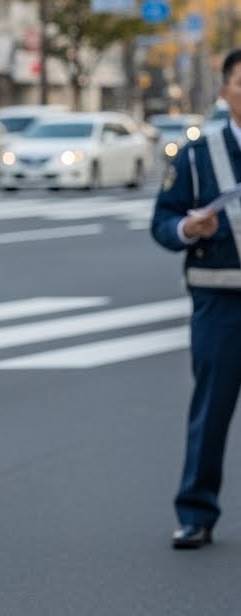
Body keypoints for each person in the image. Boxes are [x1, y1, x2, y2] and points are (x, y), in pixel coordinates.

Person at [150, 47, 241, 551]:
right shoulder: (199, 154)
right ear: (226, 90)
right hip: (219, 300)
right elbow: (161, 221)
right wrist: (188, 226)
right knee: (211, 410)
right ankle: (196, 512)